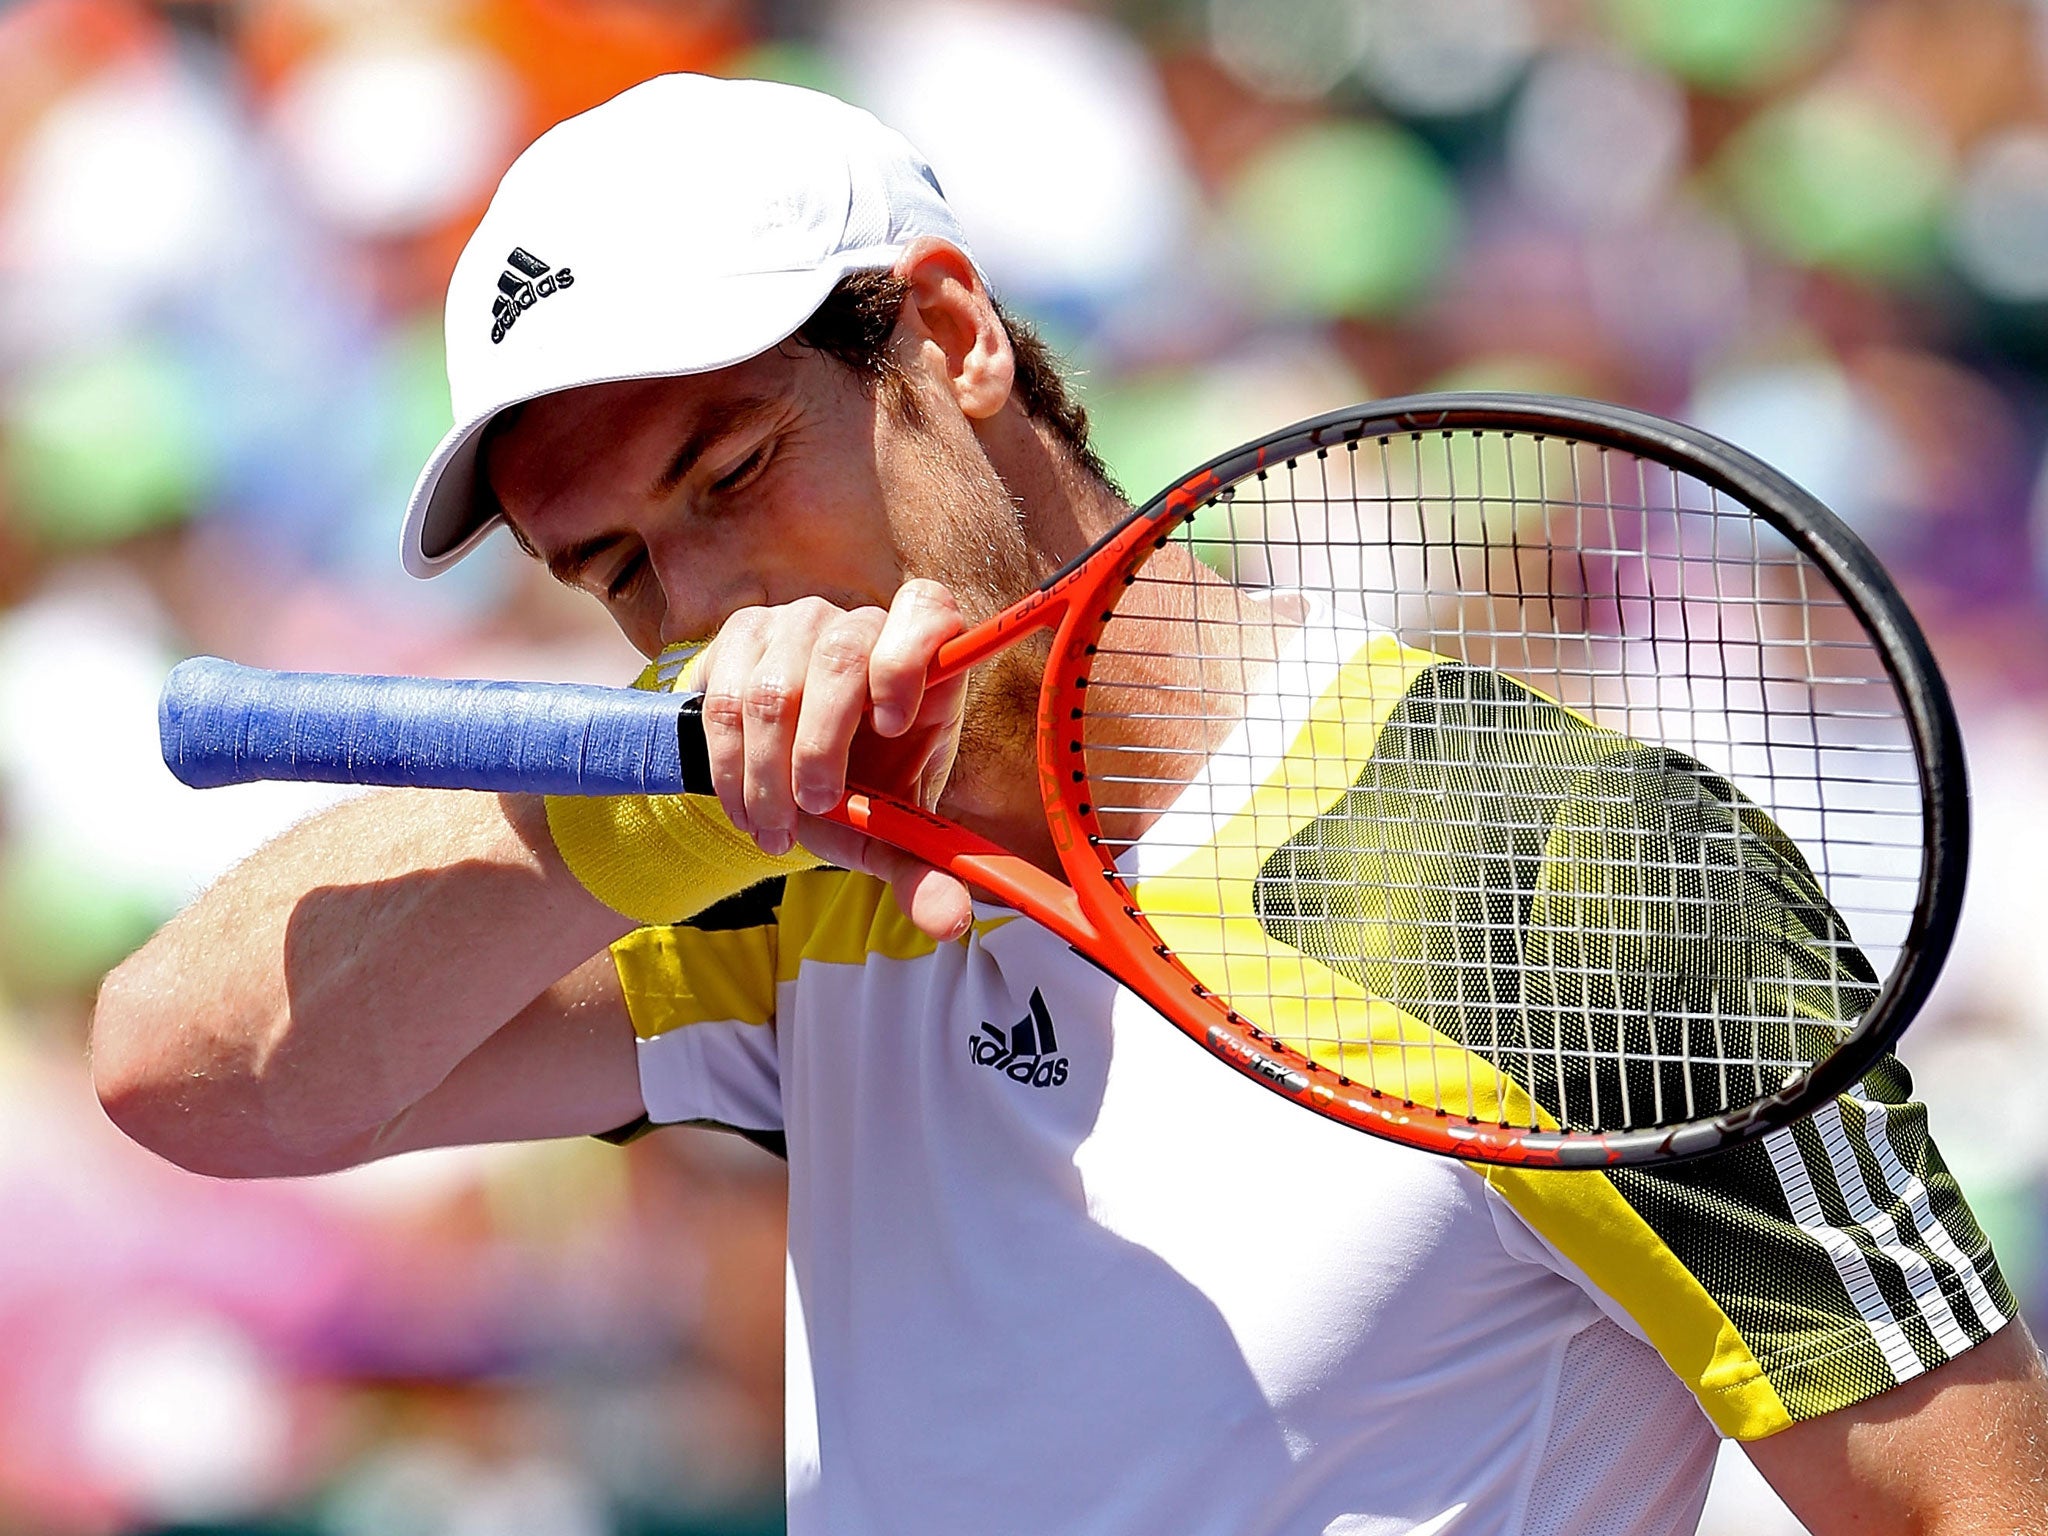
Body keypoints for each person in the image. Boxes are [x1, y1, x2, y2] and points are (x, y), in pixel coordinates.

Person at [92, 74, 2048, 1535]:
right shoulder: (774, 866)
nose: (700, 612)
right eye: (615, 572)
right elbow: (190, 1074)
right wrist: (667, 795)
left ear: (947, 335)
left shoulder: (1554, 871)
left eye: (729, 475)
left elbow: (1975, 1502)